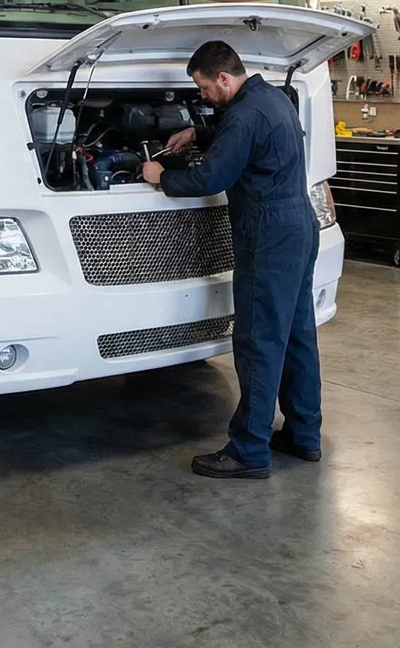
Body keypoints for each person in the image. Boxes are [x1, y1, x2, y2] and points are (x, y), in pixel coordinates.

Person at [142, 40, 322, 479]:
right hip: (299, 224)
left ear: (223, 78)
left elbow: (212, 177)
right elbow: (246, 140)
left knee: (258, 341)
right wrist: (198, 133)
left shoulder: (243, 115)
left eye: (204, 88)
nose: (202, 97)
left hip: (269, 235)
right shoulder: (271, 97)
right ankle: (304, 435)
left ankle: (249, 450)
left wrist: (162, 177)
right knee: (297, 337)